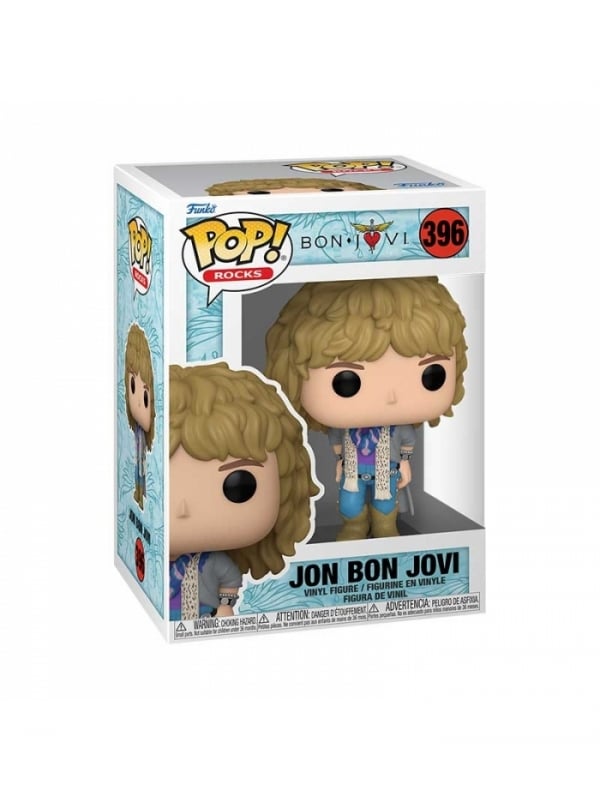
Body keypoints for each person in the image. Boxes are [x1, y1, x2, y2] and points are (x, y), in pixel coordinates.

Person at [265, 277, 467, 540]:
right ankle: (354, 528)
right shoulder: (345, 430)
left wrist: (405, 464)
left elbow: (407, 444)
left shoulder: (399, 429)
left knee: (385, 507)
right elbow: (337, 443)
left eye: (431, 375)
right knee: (350, 506)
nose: (391, 397)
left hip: (387, 472)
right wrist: (340, 462)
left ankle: (385, 530)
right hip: (353, 473)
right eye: (346, 382)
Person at [169, 362, 320, 620]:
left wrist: (226, 605)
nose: (183, 507)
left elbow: (230, 580)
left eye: (238, 486)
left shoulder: (214, 563)